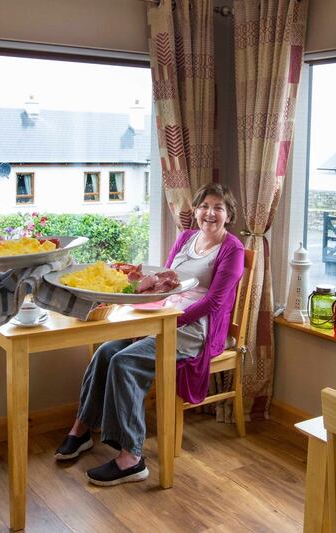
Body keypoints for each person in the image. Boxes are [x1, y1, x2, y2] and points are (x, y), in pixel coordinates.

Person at [55, 183, 245, 486]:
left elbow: (215, 302)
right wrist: (146, 285)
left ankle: (131, 458)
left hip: (194, 330)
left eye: (218, 208)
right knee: (106, 351)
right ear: (195, 210)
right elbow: (167, 281)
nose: (210, 213)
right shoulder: (185, 238)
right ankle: (82, 429)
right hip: (163, 317)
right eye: (205, 206)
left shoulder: (232, 248)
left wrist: (171, 320)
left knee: (125, 362)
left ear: (228, 214)